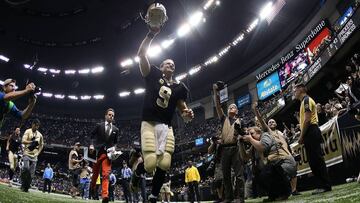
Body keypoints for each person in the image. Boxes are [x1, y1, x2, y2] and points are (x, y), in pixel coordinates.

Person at [131, 23, 194, 203]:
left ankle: (152, 197)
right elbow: (141, 54)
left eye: (173, 64)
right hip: (149, 122)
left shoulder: (178, 87)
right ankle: (137, 173)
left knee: (164, 163)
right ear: (161, 66)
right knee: (150, 163)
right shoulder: (152, 75)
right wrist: (151, 34)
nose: (171, 65)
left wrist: (187, 114)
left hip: (166, 126)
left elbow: (182, 108)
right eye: (167, 63)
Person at [252, 103, 300, 196]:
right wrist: (256, 111)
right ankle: (279, 193)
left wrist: (292, 152)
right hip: (275, 159)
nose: (271, 123)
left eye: (273, 122)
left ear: (276, 124)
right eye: (269, 122)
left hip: (287, 156)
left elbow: (286, 144)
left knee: (293, 172)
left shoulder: (281, 133)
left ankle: (294, 190)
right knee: (277, 175)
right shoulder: (267, 132)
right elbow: (261, 121)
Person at [293, 83, 332, 195]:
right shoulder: (303, 102)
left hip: (311, 131)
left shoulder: (306, 100)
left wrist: (301, 136)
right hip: (309, 132)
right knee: (313, 160)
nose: (294, 92)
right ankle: (322, 185)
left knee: (317, 160)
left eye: (295, 90)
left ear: (301, 89)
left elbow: (307, 120)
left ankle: (325, 185)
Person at [240, 127, 297, 201]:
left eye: (252, 133)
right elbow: (245, 157)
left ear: (259, 133)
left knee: (267, 172)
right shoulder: (254, 144)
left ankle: (284, 194)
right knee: (258, 175)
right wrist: (240, 143)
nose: (250, 136)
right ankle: (273, 195)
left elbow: (262, 147)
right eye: (248, 134)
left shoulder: (265, 136)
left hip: (284, 163)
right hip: (275, 167)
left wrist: (250, 139)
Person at [213, 83, 245, 203]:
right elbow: (217, 104)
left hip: (235, 148)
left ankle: (241, 198)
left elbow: (244, 134)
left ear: (236, 110)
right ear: (227, 110)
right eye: (230, 106)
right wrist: (216, 91)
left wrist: (241, 132)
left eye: (234, 106)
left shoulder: (240, 121)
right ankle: (228, 197)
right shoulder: (223, 118)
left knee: (239, 174)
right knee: (226, 175)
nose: (232, 107)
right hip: (225, 149)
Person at [90, 108, 120, 203]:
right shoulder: (99, 126)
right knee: (95, 174)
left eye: (112, 115)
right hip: (97, 153)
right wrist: (91, 144)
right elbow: (92, 135)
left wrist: (114, 149)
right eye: (110, 115)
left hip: (108, 155)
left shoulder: (116, 129)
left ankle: (105, 195)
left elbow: (115, 142)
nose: (111, 116)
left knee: (106, 174)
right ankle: (92, 187)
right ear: (106, 115)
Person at [21, 119, 44, 192]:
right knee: (26, 168)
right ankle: (23, 184)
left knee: (31, 173)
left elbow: (42, 145)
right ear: (32, 124)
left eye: (38, 126)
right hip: (27, 153)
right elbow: (23, 141)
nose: (36, 127)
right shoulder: (28, 131)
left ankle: (26, 187)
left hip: (34, 155)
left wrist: (38, 152)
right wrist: (32, 142)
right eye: (35, 125)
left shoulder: (40, 135)